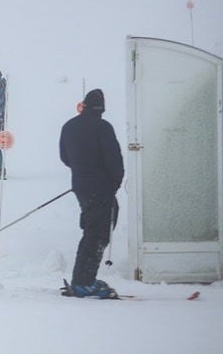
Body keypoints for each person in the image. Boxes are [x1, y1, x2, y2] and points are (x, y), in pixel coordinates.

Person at [59, 89, 125, 298]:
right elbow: (115, 161)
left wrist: (81, 171)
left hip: (81, 185)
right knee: (97, 233)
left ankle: (82, 278)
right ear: (101, 108)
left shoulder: (69, 126)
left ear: (84, 105)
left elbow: (65, 157)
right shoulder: (103, 127)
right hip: (101, 187)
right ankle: (84, 282)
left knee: (92, 228)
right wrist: (112, 183)